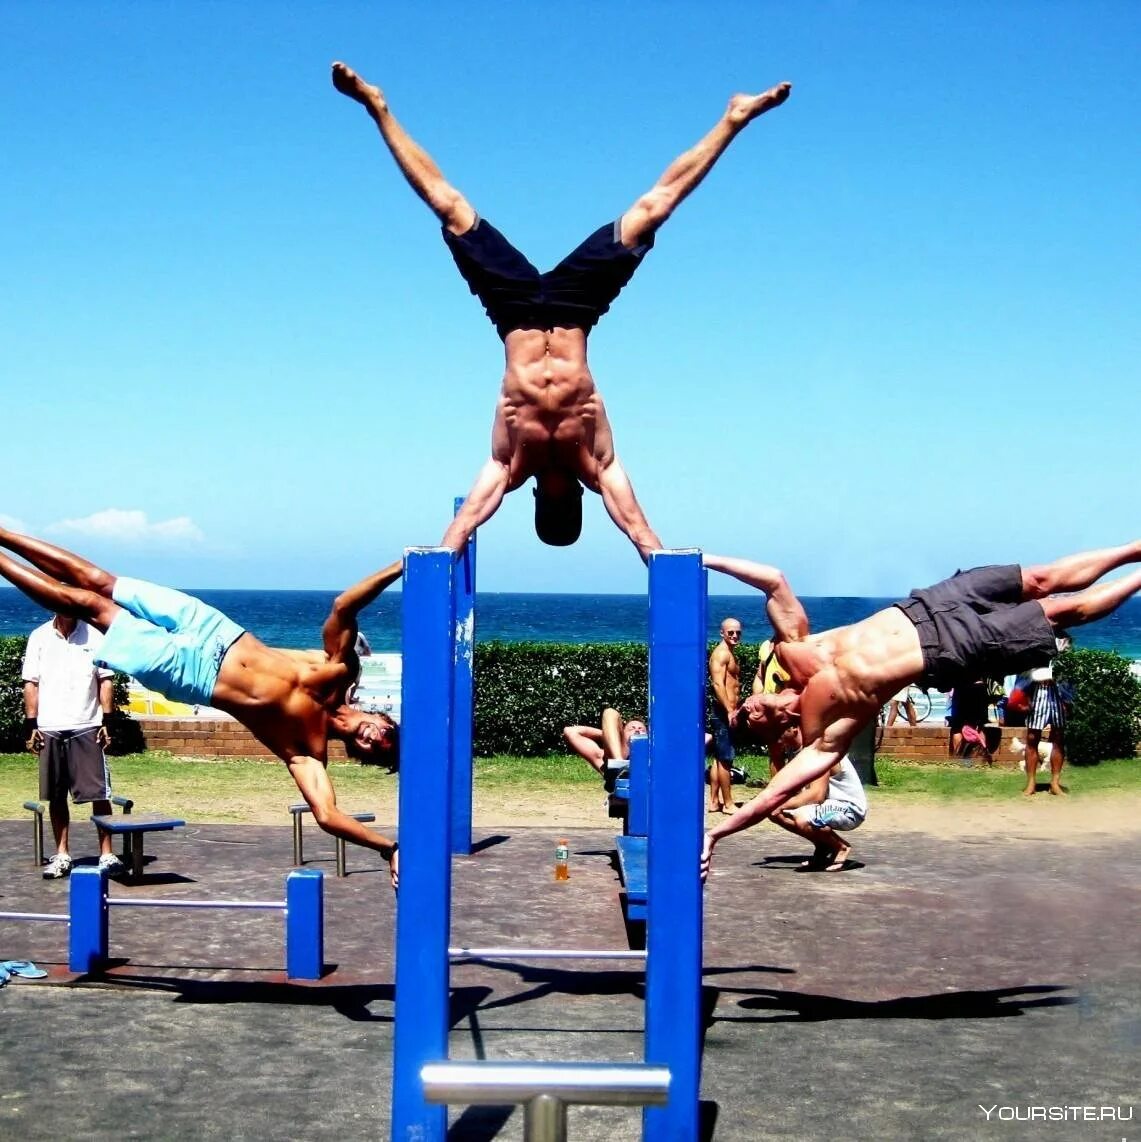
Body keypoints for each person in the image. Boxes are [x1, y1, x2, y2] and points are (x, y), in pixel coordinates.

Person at [332, 62, 792, 559]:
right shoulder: (596, 465)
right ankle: (734, 118)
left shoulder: (509, 468)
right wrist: (659, 560)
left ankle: (377, 108)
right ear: (574, 499)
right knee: (652, 210)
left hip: (513, 311)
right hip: (577, 309)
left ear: (536, 501)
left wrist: (441, 556)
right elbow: (639, 529)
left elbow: (461, 527)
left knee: (449, 207)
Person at [699, 542, 1141, 878]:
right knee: (1062, 611)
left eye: (744, 706)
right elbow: (772, 795)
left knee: (1043, 578)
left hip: (927, 604)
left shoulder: (794, 648)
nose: (749, 704)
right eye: (747, 716)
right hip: (950, 649)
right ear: (772, 729)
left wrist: (705, 560)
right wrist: (718, 832)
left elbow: (773, 580)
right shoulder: (825, 731)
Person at [0, 526, 402, 886]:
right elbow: (344, 607)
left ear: (358, 754)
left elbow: (328, 816)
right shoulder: (340, 669)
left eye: (373, 751)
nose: (372, 739)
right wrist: (403, 566)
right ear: (382, 717)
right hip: (213, 628)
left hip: (189, 673)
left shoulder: (306, 750)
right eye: (385, 734)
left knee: (89, 604)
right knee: (100, 580)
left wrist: (388, 848)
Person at [22, 613, 122, 878]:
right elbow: (31, 683)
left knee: (99, 793)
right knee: (56, 795)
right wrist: (32, 726)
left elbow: (105, 679)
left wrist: (107, 721)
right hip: (50, 727)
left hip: (87, 725)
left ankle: (107, 855)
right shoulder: (39, 637)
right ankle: (63, 855)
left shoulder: (96, 635)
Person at [1023, 636, 1071, 797]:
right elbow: (1024, 665)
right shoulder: (1035, 637)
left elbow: (1068, 667)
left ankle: (1054, 783)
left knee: (1058, 738)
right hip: (1037, 691)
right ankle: (1031, 783)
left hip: (1058, 693)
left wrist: (1068, 698)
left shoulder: (1065, 639)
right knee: (1032, 737)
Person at [708, 618, 743, 814]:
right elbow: (718, 684)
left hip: (728, 711)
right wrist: (730, 711)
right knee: (726, 759)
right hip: (724, 712)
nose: (735, 636)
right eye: (731, 632)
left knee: (719, 758)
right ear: (722, 633)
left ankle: (714, 802)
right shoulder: (721, 654)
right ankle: (728, 803)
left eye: (738, 632)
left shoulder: (730, 653)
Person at [563, 708, 648, 788]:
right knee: (610, 712)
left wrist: (607, 736)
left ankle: (621, 765)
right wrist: (610, 736)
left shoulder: (655, 752)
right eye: (631, 729)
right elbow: (570, 731)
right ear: (621, 734)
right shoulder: (603, 758)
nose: (637, 730)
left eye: (641, 729)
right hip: (618, 764)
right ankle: (620, 765)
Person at [946, 677, 993, 764]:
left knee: (957, 726)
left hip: (962, 685)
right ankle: (980, 761)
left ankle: (959, 760)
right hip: (980, 687)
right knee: (980, 726)